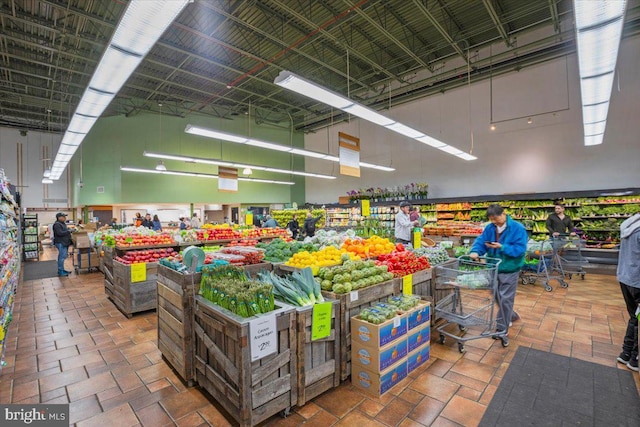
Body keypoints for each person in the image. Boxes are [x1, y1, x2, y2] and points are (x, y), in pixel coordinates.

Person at [469, 204, 528, 346]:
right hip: (493, 267)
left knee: (506, 298)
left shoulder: (517, 228)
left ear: (503, 214)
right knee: (496, 294)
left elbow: (520, 249)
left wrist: (502, 247)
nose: (494, 222)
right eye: (491, 220)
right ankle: (511, 315)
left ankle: (501, 330)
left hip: (510, 268)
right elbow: (481, 241)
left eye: (496, 219)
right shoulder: (490, 228)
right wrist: (476, 251)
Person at [616, 212, 640, 372]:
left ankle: (626, 353)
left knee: (635, 317)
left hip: (625, 278)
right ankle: (635, 357)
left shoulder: (630, 224)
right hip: (637, 280)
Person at [52, 212, 73, 277]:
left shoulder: (62, 224)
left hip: (64, 242)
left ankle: (62, 269)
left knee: (63, 256)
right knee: (61, 257)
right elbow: (59, 233)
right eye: (63, 216)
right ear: (59, 217)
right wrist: (69, 231)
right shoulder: (57, 224)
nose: (65, 218)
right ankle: (60, 271)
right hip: (61, 243)